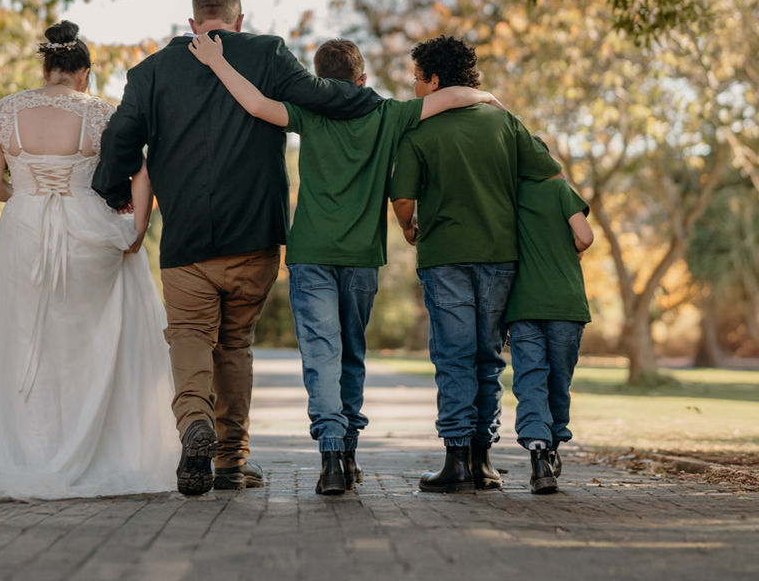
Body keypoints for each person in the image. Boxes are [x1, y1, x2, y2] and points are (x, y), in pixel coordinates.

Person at [93, 0, 382, 495]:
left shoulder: (150, 71)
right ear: (238, 21)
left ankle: (194, 426)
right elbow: (318, 97)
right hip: (255, 235)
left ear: (192, 24)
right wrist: (368, 101)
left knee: (188, 336)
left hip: (185, 240)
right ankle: (229, 460)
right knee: (235, 344)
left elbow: (119, 139)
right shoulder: (267, 53)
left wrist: (115, 190)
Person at [189, 33, 501, 496]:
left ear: (319, 80)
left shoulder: (310, 112)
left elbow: (255, 104)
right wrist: (485, 95)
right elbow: (449, 97)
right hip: (361, 260)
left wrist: (216, 61)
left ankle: (332, 460)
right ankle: (348, 454)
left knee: (321, 358)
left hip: (312, 254)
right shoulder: (388, 113)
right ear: (363, 77)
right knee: (352, 355)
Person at [0, 21, 178, 499]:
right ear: (84, 72)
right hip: (89, 228)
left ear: (45, 68)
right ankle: (99, 454)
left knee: (27, 345)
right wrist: (136, 229)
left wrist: (27, 195)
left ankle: (32, 456)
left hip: (24, 230)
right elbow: (143, 171)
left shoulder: (4, 112)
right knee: (91, 343)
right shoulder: (102, 113)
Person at [389, 35, 560, 494]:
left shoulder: (419, 131)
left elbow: (403, 197)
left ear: (436, 80)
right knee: (488, 356)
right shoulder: (505, 122)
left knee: (453, 355)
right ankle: (483, 462)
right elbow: (548, 172)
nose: (414, 87)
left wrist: (409, 227)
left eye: (417, 78)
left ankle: (456, 460)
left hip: (445, 257)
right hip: (501, 256)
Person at [505, 166, 594, 494]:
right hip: (564, 304)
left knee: (530, 381)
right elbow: (584, 236)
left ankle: (539, 455)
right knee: (559, 382)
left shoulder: (507, 199)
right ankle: (553, 445)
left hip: (523, 304)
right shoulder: (560, 191)